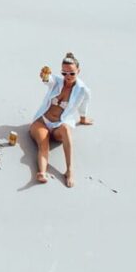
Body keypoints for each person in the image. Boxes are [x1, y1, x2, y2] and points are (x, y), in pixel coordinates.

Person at [29, 51, 93, 187]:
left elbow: (84, 105)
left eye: (71, 73)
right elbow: (48, 80)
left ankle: (69, 170)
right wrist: (44, 76)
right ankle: (42, 172)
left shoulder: (83, 90)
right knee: (43, 144)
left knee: (66, 130)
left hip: (59, 124)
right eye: (64, 73)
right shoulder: (56, 81)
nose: (67, 76)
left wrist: (83, 119)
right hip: (43, 122)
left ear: (78, 71)